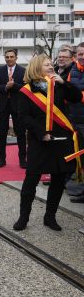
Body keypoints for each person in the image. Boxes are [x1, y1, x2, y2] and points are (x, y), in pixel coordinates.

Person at [13, 54, 83, 232]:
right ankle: (23, 217)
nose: (51, 67)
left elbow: (76, 97)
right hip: (39, 141)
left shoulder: (58, 86)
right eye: (46, 65)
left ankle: (50, 216)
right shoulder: (26, 91)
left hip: (61, 141)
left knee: (59, 180)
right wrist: (40, 133)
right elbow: (23, 118)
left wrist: (64, 83)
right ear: (37, 68)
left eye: (51, 64)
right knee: (31, 180)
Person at [0, 49, 26, 168]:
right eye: (7, 57)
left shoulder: (23, 71)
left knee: (21, 133)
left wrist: (14, 86)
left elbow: (26, 88)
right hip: (2, 106)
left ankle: (23, 159)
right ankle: (1, 159)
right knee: (2, 133)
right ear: (4, 58)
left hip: (18, 107)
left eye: (12, 57)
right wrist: (5, 86)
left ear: (16, 57)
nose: (9, 59)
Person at [66, 42, 84, 204]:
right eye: (80, 54)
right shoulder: (73, 70)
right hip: (75, 119)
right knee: (81, 158)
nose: (83, 57)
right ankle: (82, 191)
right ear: (76, 56)